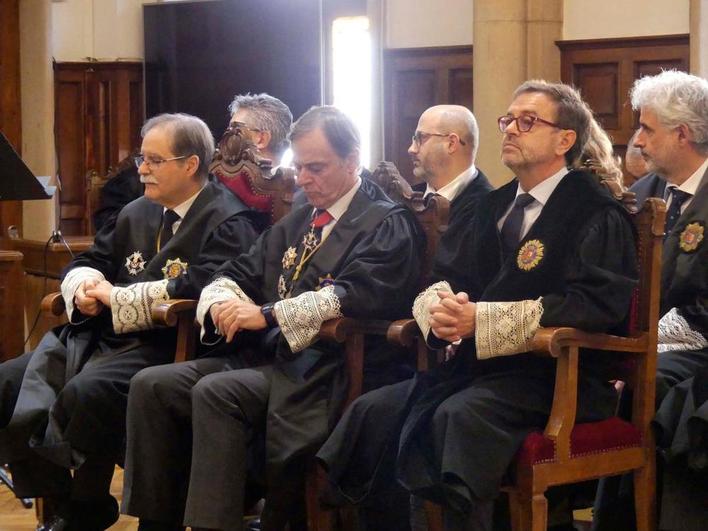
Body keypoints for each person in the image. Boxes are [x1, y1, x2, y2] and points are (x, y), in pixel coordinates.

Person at [317, 80, 638, 531]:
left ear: (565, 140)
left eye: (527, 121)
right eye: (507, 120)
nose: (510, 129)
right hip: (481, 369)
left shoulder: (594, 211)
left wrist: (481, 319)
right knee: (375, 410)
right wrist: (443, 311)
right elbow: (448, 279)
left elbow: (594, 305)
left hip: (559, 376)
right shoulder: (491, 207)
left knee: (455, 418)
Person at [122, 105, 424, 531]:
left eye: (315, 167)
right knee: (152, 384)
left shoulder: (385, 223)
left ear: (352, 160)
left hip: (326, 369)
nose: (302, 179)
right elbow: (240, 269)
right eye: (298, 166)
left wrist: (263, 315)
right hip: (271, 359)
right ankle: (156, 524)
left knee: (216, 391)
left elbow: (353, 296)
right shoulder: (301, 217)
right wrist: (225, 298)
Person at [0, 113, 261, 531]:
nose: (141, 169)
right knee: (7, 383)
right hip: (99, 335)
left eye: (154, 160)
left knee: (87, 392)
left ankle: (84, 502)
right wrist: (86, 285)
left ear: (190, 164)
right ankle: (65, 498)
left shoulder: (231, 220)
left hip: (164, 345)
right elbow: (92, 260)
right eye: (143, 158)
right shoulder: (136, 211)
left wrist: (116, 297)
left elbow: (209, 283)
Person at [593, 70, 708, 531]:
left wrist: (644, 342)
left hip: (699, 344)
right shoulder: (640, 197)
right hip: (643, 338)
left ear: (682, 134)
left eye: (647, 129)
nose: (636, 141)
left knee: (652, 382)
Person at [409, 105, 493, 278]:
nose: (411, 149)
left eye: (420, 138)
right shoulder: (407, 196)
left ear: (451, 143)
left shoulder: (488, 208)